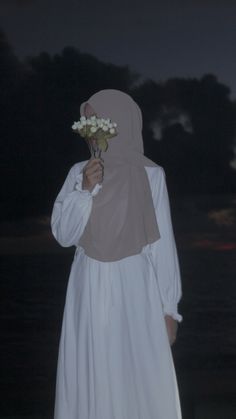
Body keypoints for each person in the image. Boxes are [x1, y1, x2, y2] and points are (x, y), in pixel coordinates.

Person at [51, 89, 183, 419]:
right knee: (91, 365)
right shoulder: (79, 171)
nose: (92, 129)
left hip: (135, 284)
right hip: (89, 282)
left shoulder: (151, 175)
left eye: (100, 120)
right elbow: (64, 235)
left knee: (135, 369)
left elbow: (162, 245)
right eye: (89, 120)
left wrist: (170, 310)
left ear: (120, 123)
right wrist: (84, 190)